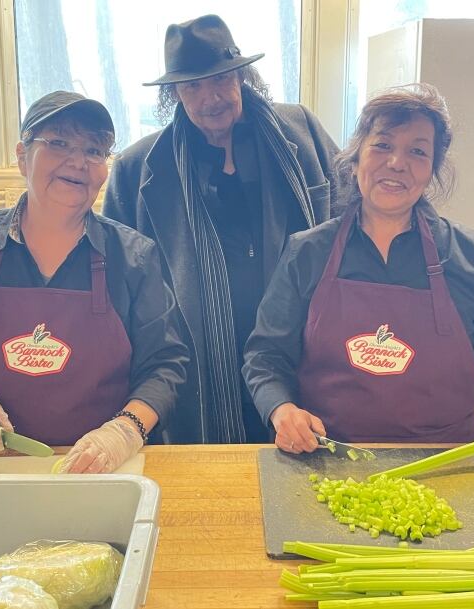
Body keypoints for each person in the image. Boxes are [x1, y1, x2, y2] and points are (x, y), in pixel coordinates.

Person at [242, 83, 474, 467]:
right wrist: (282, 410)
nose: (397, 162)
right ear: (356, 156)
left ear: (432, 170)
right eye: (382, 145)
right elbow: (266, 357)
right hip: (328, 458)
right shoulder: (307, 253)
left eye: (417, 151)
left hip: (448, 464)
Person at [0, 91, 188, 473]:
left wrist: (124, 431)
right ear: (21, 156)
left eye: (95, 150)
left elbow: (165, 364)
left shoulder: (133, 256)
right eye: (59, 142)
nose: (78, 161)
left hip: (92, 467)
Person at [103, 14, 340, 444]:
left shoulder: (300, 132)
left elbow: (349, 217)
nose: (209, 97)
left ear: (241, 77)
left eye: (219, 80)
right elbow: (119, 288)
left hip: (297, 344)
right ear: (174, 93)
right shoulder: (137, 169)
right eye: (192, 86)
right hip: (198, 363)